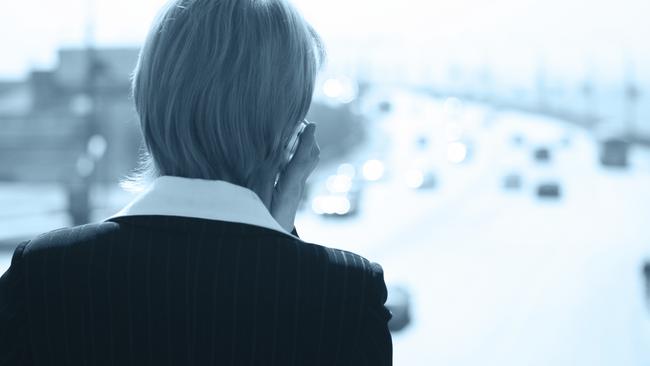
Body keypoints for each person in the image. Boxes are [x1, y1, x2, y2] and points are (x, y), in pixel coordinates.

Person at [0, 0, 392, 365]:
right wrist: (279, 234)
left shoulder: (41, 278)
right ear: (294, 137)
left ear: (146, 100)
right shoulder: (345, 299)